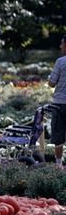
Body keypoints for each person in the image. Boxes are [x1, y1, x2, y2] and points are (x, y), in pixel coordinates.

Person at [49, 34, 66, 167]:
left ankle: (59, 165)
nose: (60, 46)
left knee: (58, 135)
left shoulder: (60, 62)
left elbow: (52, 83)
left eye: (62, 43)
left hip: (60, 103)